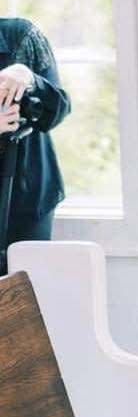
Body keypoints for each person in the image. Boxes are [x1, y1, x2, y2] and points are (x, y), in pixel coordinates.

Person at [0, 17, 71, 247]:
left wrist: (29, 77)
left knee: (27, 280)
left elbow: (60, 108)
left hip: (27, 197)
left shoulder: (22, 36)